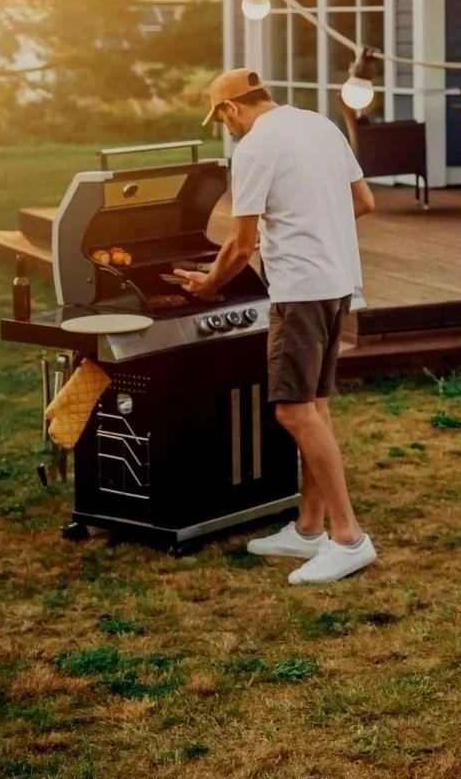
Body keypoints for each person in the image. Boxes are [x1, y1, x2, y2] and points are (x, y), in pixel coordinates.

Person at [173, 68, 378, 585]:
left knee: (292, 411)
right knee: (315, 406)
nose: (229, 129)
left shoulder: (254, 148)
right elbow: (363, 202)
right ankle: (308, 529)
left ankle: (349, 538)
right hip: (337, 283)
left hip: (300, 292)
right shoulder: (321, 125)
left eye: (223, 120)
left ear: (229, 109)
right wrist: (312, 230)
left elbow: (240, 245)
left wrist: (207, 285)